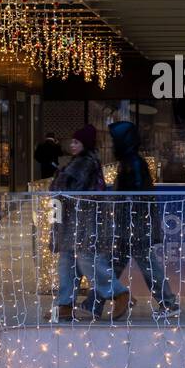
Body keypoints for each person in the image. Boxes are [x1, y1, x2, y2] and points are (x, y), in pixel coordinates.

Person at [49, 125, 123, 322]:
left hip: (82, 222)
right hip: (71, 222)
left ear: (86, 144)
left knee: (87, 260)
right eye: (72, 142)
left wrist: (59, 180)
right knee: (67, 263)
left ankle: (118, 293)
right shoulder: (76, 163)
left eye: (77, 142)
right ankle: (64, 304)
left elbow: (67, 190)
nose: (72, 145)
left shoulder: (85, 163)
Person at [107, 120, 178, 317]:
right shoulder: (130, 163)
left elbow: (140, 195)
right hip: (130, 225)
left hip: (135, 226)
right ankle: (93, 303)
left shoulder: (134, 164)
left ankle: (169, 303)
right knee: (114, 264)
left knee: (144, 265)